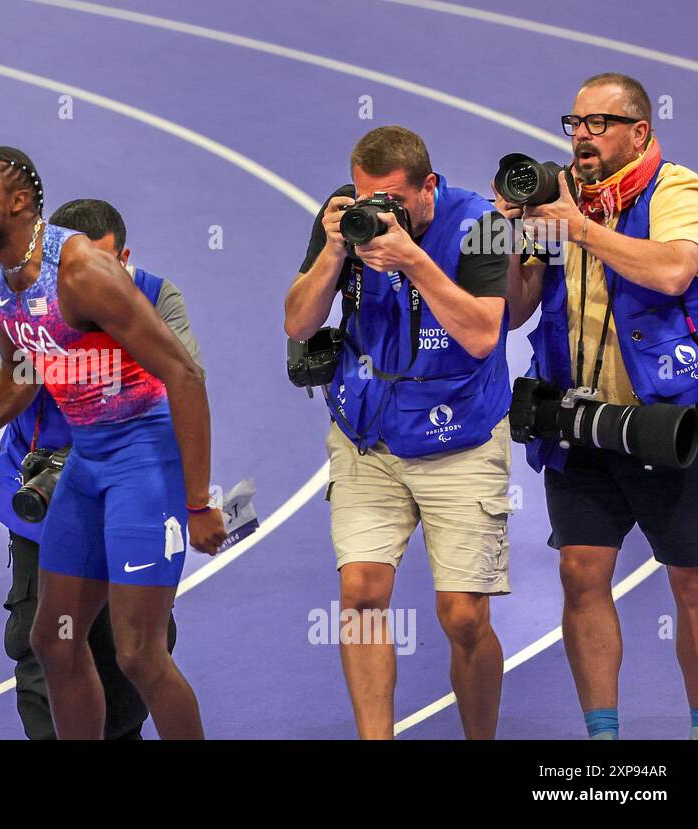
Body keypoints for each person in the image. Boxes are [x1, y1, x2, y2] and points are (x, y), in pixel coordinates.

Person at [0, 147, 225, 739]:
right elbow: (24, 366)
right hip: (89, 460)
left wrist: (197, 503)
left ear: (18, 202)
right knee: (53, 640)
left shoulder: (81, 271)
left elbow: (185, 376)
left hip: (144, 462)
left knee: (138, 654)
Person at [502, 72, 698, 740]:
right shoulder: (564, 200)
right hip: (579, 424)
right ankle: (603, 741)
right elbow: (514, 311)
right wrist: (517, 241)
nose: (582, 138)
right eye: (575, 124)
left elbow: (675, 270)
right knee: (579, 572)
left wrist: (579, 229)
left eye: (598, 124)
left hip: (668, 425)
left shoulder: (678, 189)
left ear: (639, 132)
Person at [284, 125, 513, 739]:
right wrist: (334, 250)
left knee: (463, 616)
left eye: (392, 200)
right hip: (368, 435)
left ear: (428, 186)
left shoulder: (487, 222)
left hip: (459, 437)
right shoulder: (344, 219)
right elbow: (299, 321)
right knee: (360, 595)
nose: (379, 213)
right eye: (367, 198)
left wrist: (414, 260)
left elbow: (484, 334)